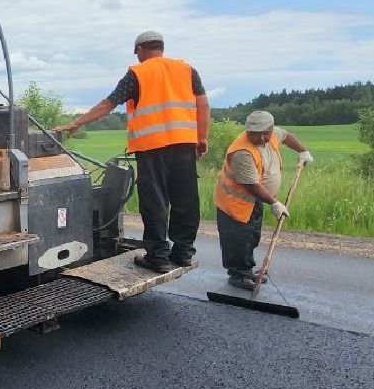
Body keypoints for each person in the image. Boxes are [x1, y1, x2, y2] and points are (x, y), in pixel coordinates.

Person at [55, 30, 210, 273]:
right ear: (160, 47)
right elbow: (203, 103)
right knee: (186, 199)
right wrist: (202, 138)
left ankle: (158, 256)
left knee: (155, 200)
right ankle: (183, 252)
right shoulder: (187, 70)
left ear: (140, 49)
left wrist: (76, 123)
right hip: (184, 145)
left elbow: (109, 103)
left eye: (136, 51)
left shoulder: (137, 73)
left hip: (152, 149)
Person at [214, 110, 312, 290]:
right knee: (238, 239)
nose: (260, 138)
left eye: (264, 133)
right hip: (234, 203)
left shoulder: (272, 134)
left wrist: (302, 150)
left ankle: (247, 270)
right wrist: (274, 203)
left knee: (251, 236)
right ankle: (238, 274)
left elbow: (287, 136)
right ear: (247, 131)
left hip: (254, 200)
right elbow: (251, 185)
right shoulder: (242, 152)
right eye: (254, 134)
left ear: (271, 129)